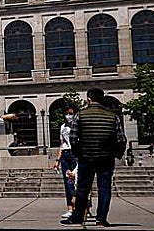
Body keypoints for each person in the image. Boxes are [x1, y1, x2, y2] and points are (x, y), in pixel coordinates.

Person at [62, 87, 119, 227]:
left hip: (86, 157)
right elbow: (121, 139)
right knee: (104, 188)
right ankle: (101, 219)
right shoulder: (112, 116)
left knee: (83, 188)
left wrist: (78, 153)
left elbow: (73, 138)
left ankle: (78, 217)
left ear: (89, 99)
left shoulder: (81, 114)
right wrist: (115, 153)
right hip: (106, 158)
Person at [53, 106, 78, 218]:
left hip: (75, 154)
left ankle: (83, 208)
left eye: (71, 113)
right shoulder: (63, 126)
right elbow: (61, 144)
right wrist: (57, 160)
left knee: (78, 182)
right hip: (65, 154)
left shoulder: (78, 125)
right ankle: (70, 208)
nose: (68, 115)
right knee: (68, 183)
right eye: (67, 113)